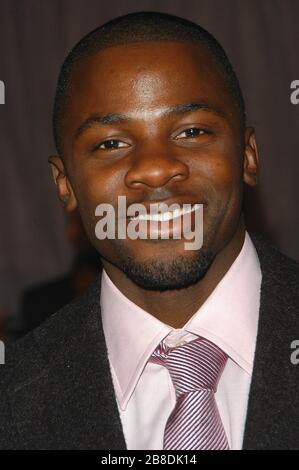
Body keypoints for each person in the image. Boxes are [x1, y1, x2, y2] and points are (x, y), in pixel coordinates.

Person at [0, 11, 298, 450]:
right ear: (65, 185)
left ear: (248, 156)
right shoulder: (13, 401)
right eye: (111, 143)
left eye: (192, 131)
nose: (156, 169)